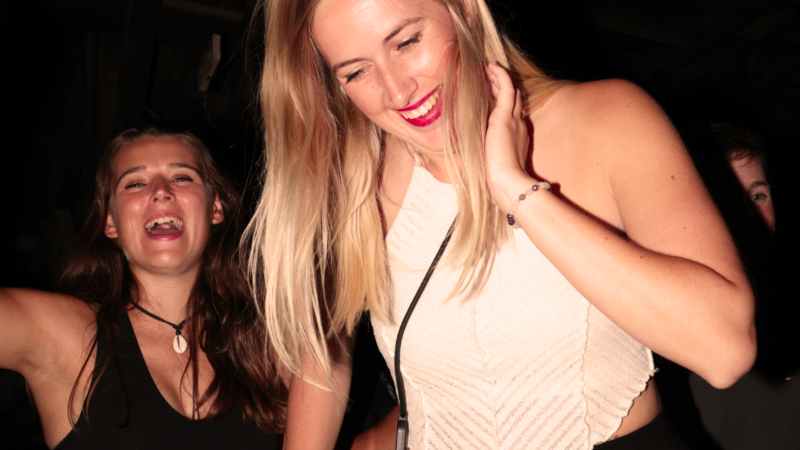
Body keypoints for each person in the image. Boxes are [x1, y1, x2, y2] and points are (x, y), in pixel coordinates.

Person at [246, 0, 757, 448]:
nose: (397, 91)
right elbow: (322, 356)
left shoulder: (606, 117)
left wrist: (517, 189)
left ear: (465, 11)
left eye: (407, 42)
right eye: (356, 72)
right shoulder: (356, 182)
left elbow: (724, 349)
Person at [0, 127, 285, 449]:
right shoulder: (65, 334)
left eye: (182, 178)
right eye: (135, 183)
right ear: (110, 221)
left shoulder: (271, 342)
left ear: (215, 208)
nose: (161, 191)